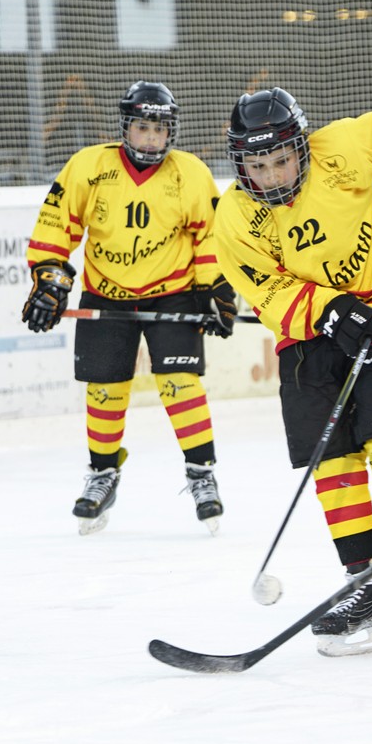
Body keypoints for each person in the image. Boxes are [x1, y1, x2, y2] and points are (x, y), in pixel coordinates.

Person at [212, 87, 372, 657]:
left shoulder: (342, 148)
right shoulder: (234, 217)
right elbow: (265, 289)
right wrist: (330, 311)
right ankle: (367, 588)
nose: (271, 176)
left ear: (301, 148)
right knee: (334, 467)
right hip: (308, 344)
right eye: (257, 166)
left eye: (281, 160)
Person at [22, 81, 235, 536]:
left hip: (172, 291)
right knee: (104, 388)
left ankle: (202, 474)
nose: (151, 139)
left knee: (180, 382)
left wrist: (212, 288)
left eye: (160, 129)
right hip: (106, 293)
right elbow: (57, 225)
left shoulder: (190, 173)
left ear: (171, 132)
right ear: (125, 127)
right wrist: (51, 279)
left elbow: (209, 235)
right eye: (142, 128)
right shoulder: (89, 167)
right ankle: (103, 474)